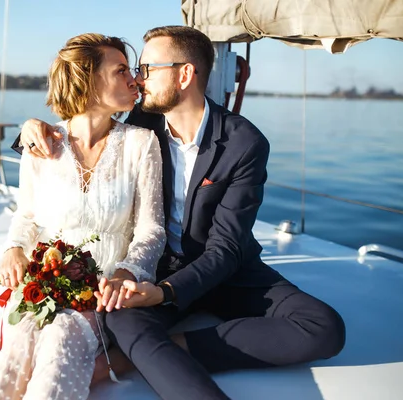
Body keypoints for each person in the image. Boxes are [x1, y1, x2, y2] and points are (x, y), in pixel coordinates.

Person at [18, 25, 346, 400]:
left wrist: (165, 294)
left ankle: (156, 350)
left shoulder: (244, 142)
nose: (138, 79)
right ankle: (154, 353)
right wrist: (31, 130)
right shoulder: (143, 123)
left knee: (325, 328)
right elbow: (83, 129)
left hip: (226, 271)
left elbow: (226, 248)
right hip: (156, 266)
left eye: (147, 69)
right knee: (120, 312)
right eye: (134, 70)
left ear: (184, 74)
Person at [0, 33, 166, 400]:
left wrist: (126, 272)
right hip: (43, 282)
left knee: (60, 340)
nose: (134, 79)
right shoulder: (41, 143)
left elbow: (152, 228)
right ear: (88, 79)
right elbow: (28, 216)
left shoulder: (140, 143)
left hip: (102, 293)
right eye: (120, 71)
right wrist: (14, 248)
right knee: (15, 352)